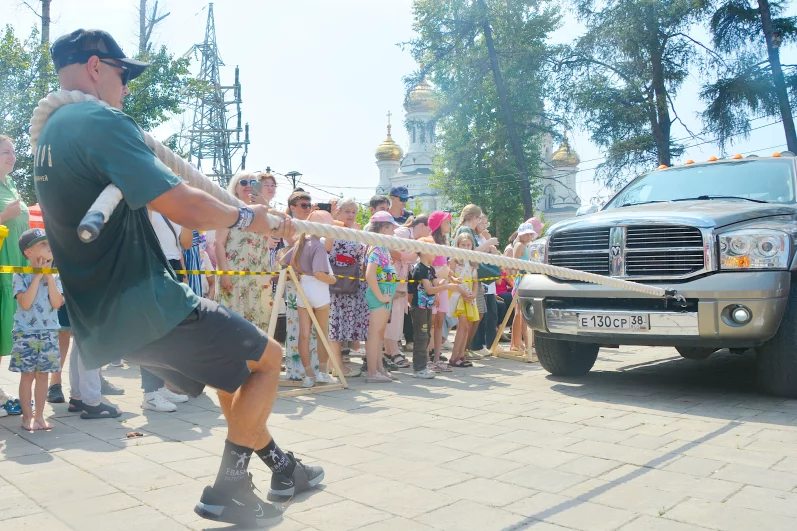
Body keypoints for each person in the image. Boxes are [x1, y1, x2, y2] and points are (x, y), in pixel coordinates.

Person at [36, 29, 322, 527]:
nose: (126, 88)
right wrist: (253, 217)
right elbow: (186, 207)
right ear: (97, 67)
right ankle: (228, 490)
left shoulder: (52, 133)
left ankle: (284, 468)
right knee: (269, 362)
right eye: (123, 75)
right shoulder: (97, 120)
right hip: (148, 302)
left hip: (104, 319)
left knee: (235, 374)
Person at [10, 229, 64, 431]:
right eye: (42, 244)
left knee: (43, 376)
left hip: (49, 332)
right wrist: (36, 278)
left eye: (49, 245)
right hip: (26, 333)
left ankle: (40, 416)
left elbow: (57, 303)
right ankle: (27, 417)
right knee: (28, 375)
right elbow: (25, 303)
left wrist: (49, 278)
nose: (48, 248)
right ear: (28, 253)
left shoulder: (56, 275)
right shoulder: (19, 274)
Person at [281, 210, 338, 388]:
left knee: (304, 334)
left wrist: (295, 274)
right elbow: (319, 273)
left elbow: (283, 262)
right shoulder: (318, 245)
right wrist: (333, 279)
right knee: (322, 334)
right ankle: (322, 372)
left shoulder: (300, 243)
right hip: (319, 290)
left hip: (303, 289)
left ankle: (308, 374)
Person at [215, 172, 274, 331]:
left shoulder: (265, 213)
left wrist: (265, 205)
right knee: (233, 322)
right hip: (234, 275)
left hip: (258, 275)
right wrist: (224, 274)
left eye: (253, 182)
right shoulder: (228, 209)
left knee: (259, 321)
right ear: (235, 188)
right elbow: (219, 243)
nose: (248, 185)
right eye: (243, 182)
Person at [0, 134, 29, 414]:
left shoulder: (11, 185)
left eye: (13, 152)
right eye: (6, 152)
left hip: (15, 270)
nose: (12, 156)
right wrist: (3, 216)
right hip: (1, 269)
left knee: (4, 330)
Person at [328, 198, 368, 377]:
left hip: (352, 285)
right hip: (336, 285)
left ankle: (336, 363)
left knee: (342, 326)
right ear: (339, 212)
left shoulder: (354, 232)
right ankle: (335, 365)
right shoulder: (332, 229)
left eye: (353, 212)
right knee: (334, 325)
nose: (350, 215)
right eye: (347, 211)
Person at [283, 190, 320, 381]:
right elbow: (284, 256)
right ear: (292, 208)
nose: (307, 208)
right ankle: (297, 370)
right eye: (303, 205)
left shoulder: (313, 227)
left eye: (309, 205)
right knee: (295, 327)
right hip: (294, 284)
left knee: (313, 330)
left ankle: (314, 369)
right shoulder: (286, 228)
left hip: (313, 283)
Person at [364, 211, 400, 383]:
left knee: (378, 334)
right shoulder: (377, 248)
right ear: (384, 228)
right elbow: (370, 274)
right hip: (380, 297)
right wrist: (381, 296)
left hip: (384, 296)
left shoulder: (382, 247)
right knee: (374, 334)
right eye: (391, 228)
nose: (393, 232)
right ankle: (372, 372)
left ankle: (379, 368)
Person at [408, 237, 450, 378]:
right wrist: (447, 286)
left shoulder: (430, 269)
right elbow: (429, 289)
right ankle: (418, 368)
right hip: (419, 307)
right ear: (425, 251)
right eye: (433, 251)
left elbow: (435, 285)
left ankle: (423, 366)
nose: (435, 254)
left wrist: (445, 278)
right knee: (421, 336)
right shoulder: (419, 268)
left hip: (427, 306)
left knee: (426, 336)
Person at [470, 213, 501, 357]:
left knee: (491, 315)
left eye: (486, 223)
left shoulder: (483, 238)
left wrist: (490, 244)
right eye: (482, 223)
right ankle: (478, 344)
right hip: (480, 282)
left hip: (489, 284)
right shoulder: (475, 239)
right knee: (482, 316)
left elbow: (497, 258)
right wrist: (488, 243)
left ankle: (491, 343)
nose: (485, 226)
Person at [449, 232, 479, 368]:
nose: (466, 247)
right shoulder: (454, 260)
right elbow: (450, 276)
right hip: (459, 295)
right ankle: (454, 356)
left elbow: (475, 281)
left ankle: (461, 354)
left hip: (469, 296)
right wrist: (456, 281)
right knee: (462, 326)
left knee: (466, 326)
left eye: (468, 245)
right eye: (463, 244)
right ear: (458, 245)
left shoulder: (473, 262)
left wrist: (473, 293)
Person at [428, 211, 454, 370]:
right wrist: (436, 290)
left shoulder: (444, 244)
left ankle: (437, 358)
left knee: (439, 323)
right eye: (447, 222)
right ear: (438, 224)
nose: (450, 225)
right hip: (434, 285)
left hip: (443, 285)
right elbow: (429, 268)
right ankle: (428, 357)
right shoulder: (430, 242)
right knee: (430, 323)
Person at [511, 222, 538, 352]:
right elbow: (513, 265)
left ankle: (519, 343)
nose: (528, 236)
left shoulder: (526, 246)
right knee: (519, 312)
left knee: (521, 312)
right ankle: (517, 343)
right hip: (521, 279)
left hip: (526, 279)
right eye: (526, 234)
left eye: (530, 234)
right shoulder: (519, 245)